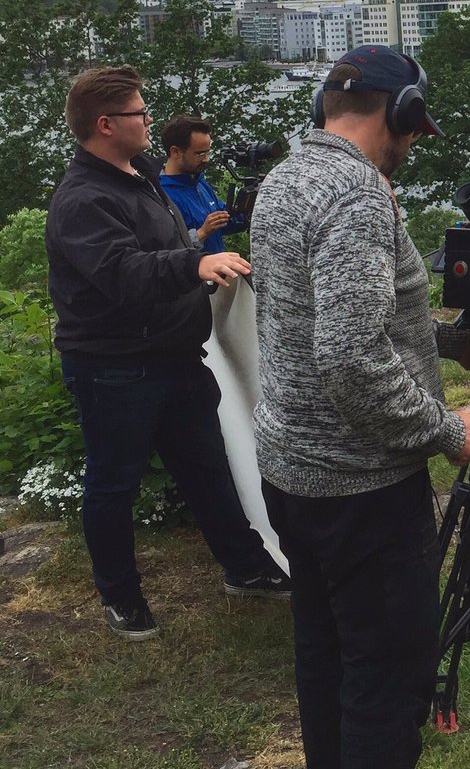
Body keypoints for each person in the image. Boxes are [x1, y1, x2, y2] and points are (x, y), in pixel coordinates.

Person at [251, 44, 470, 769]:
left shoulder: (286, 177)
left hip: (292, 471)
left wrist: (446, 343)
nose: (413, 145)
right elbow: (350, 355)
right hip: (362, 490)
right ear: (402, 112)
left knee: (326, 655)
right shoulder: (356, 195)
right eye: (415, 129)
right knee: (386, 681)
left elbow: (317, 319)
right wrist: (445, 430)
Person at [45, 66, 290, 642]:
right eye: (139, 112)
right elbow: (122, 273)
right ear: (106, 125)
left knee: (206, 468)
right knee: (114, 484)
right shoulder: (83, 199)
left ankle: (246, 567)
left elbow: (166, 245)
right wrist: (196, 262)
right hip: (115, 368)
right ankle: (121, 597)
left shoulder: (143, 175)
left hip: (177, 356)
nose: (149, 119)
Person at [158, 114, 247, 253]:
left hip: (218, 265)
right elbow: (165, 250)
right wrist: (202, 233)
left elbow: (225, 223)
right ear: (175, 152)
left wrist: (248, 212)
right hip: (193, 267)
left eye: (207, 153)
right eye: (199, 154)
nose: (206, 159)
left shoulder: (199, 183)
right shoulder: (161, 194)